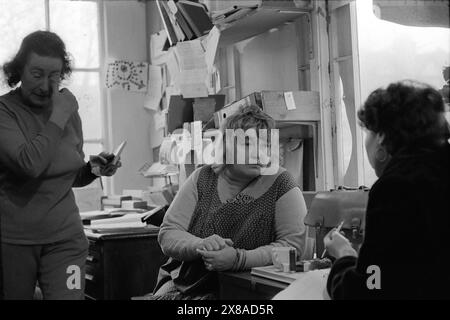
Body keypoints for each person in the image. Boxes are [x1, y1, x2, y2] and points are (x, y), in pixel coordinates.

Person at [0, 30, 121, 300]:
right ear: (19, 70)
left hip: (66, 238)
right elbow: (29, 164)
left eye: (54, 75)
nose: (45, 85)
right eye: (37, 74)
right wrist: (59, 115)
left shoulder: (66, 110)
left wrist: (92, 169)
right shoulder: (5, 111)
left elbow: (67, 174)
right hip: (15, 242)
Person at [151, 105, 307, 299]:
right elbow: (168, 233)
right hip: (186, 284)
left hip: (248, 288)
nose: (259, 153)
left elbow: (292, 247)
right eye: (248, 144)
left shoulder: (281, 183)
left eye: (266, 145)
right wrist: (201, 245)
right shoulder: (202, 178)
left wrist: (238, 259)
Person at [324, 80, 450, 299]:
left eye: (368, 132)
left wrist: (344, 257)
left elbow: (372, 287)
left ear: (381, 137)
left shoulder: (397, 188)